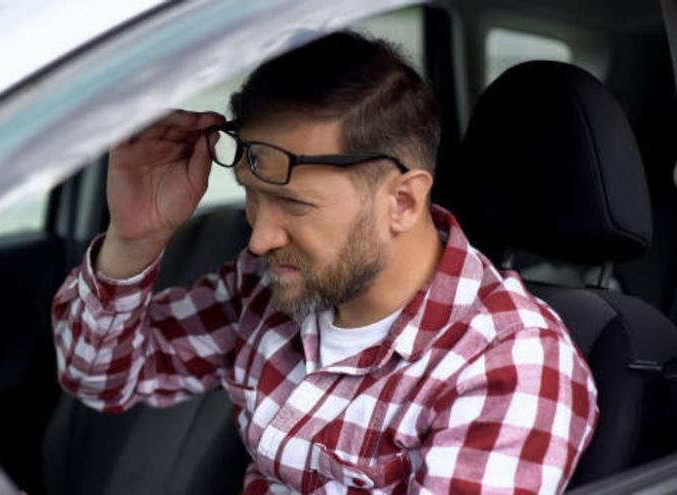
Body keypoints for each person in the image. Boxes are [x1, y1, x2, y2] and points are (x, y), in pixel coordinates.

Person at [51, 30, 598, 494]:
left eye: (294, 203)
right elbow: (100, 378)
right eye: (252, 195)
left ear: (402, 201)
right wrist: (135, 238)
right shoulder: (267, 286)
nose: (261, 237)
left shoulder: (510, 368)